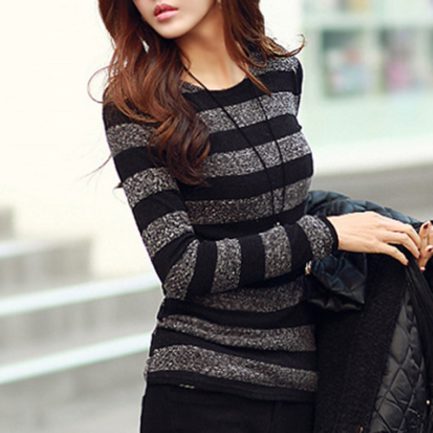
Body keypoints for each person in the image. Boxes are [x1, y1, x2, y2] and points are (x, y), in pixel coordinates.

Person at [97, 1, 433, 432]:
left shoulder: (280, 73)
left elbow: (282, 210)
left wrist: (392, 236)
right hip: (199, 389)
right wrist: (326, 233)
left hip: (297, 383)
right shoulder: (136, 105)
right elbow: (182, 267)